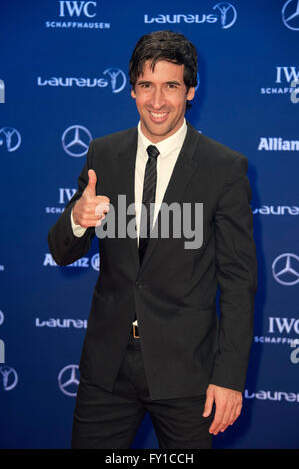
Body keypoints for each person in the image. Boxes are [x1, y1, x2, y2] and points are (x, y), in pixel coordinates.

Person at [48, 30, 257, 449]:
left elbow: (238, 282)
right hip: (107, 369)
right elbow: (61, 250)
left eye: (171, 86)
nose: (157, 101)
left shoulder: (224, 168)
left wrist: (229, 377)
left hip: (187, 373)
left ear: (191, 91)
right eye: (146, 85)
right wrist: (77, 218)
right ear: (132, 90)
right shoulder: (103, 154)